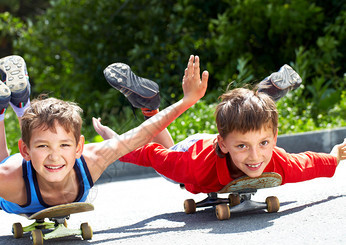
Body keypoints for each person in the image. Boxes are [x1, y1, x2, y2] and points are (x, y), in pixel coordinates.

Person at [0, 54, 209, 214]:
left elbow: (143, 133)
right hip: (12, 181)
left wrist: (187, 100)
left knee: (36, 128)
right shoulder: (8, 178)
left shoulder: (93, 158)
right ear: (26, 151)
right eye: (43, 146)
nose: (55, 155)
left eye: (64, 145)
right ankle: (0, 110)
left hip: (37, 161)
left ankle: (10, 105)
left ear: (79, 147)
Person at [93, 62, 345, 194]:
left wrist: (335, 156)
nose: (256, 157)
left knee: (251, 122)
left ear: (275, 138)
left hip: (231, 133)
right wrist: (113, 146)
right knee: (169, 167)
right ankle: (149, 108)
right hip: (193, 151)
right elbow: (152, 154)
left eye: (264, 144)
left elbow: (310, 163)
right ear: (223, 144)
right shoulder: (194, 167)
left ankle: (261, 98)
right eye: (244, 147)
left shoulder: (276, 161)